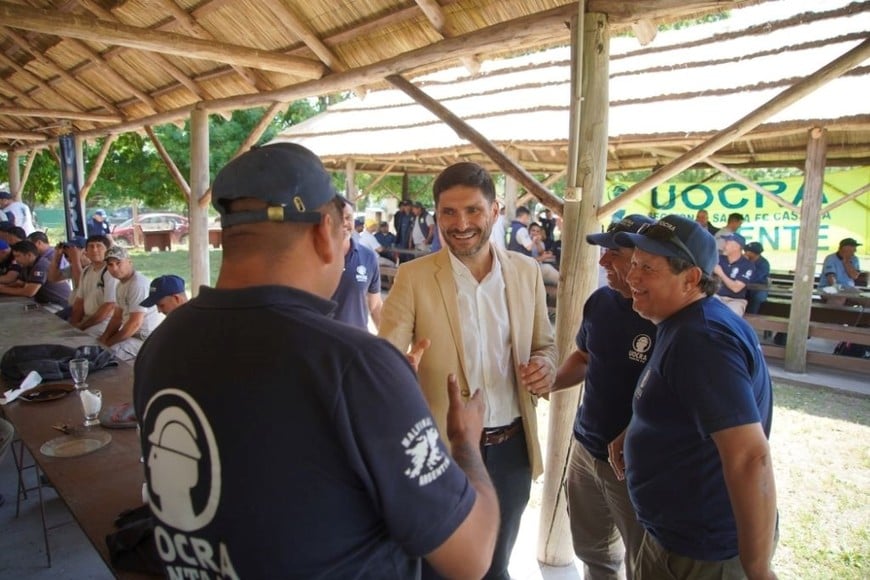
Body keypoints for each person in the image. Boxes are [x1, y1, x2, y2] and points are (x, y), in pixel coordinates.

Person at [133, 142, 500, 578]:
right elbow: (471, 556)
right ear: (324, 232)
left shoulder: (163, 344)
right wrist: (465, 445)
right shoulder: (354, 364)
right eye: (345, 233)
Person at [380, 161, 557, 580]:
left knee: (495, 566)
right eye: (449, 213)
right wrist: (395, 373)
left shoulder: (525, 271)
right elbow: (384, 358)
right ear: (436, 215)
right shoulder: (414, 277)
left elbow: (543, 345)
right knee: (437, 566)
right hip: (439, 451)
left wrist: (545, 367)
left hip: (511, 450)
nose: (461, 224)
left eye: (473, 211)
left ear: (495, 212)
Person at [612, 214, 777, 580]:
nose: (631, 277)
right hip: (674, 537)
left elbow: (750, 456)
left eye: (648, 269)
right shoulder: (682, 321)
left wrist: (759, 570)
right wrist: (640, 429)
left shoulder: (702, 339)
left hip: (700, 553)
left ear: (691, 279)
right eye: (634, 264)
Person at [528, 214, 655, 580]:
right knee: (594, 553)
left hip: (635, 464)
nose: (602, 263)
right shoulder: (600, 302)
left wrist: (636, 432)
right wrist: (548, 381)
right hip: (585, 449)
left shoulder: (664, 315)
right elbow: (584, 357)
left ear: (639, 260)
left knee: (643, 560)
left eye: (613, 254)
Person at [98, 246, 162, 361]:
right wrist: (104, 338)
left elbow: (135, 323)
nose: (114, 268)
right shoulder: (120, 285)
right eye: (110, 265)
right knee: (98, 346)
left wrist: (108, 343)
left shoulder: (138, 284)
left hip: (145, 339)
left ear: (129, 262)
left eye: (118, 263)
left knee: (110, 353)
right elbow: (116, 317)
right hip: (132, 336)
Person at [330, 200, 383, 330]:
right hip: (322, 344)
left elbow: (375, 305)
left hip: (357, 343)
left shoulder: (368, 257)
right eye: (338, 218)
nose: (344, 223)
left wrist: (388, 342)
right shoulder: (313, 257)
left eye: (348, 218)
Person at [0, 240, 71, 311]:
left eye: (18, 256)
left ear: (29, 255)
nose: (16, 259)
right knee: (16, 309)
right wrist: (4, 287)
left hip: (59, 303)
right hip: (43, 302)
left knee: (25, 314)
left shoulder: (41, 265)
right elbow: (19, 283)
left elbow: (29, 292)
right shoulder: (27, 265)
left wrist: (2, 289)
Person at [68, 235, 118, 336]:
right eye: (91, 246)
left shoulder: (110, 272)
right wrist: (73, 324)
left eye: (99, 246)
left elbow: (109, 306)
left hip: (105, 322)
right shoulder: (86, 271)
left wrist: (82, 326)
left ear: (107, 251)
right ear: (85, 252)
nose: (95, 250)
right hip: (87, 319)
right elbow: (79, 301)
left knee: (82, 340)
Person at [714, 232, 754, 317]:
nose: (724, 245)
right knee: (709, 311)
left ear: (737, 246)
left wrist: (720, 273)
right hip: (716, 296)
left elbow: (736, 288)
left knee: (731, 318)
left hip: (736, 300)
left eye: (727, 243)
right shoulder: (718, 259)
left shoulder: (747, 265)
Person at [744, 241, 771, 315]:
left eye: (748, 251)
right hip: (745, 286)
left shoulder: (764, 263)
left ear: (754, 253)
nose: (745, 252)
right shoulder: (744, 260)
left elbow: (756, 277)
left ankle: (752, 317)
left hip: (760, 288)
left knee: (757, 298)